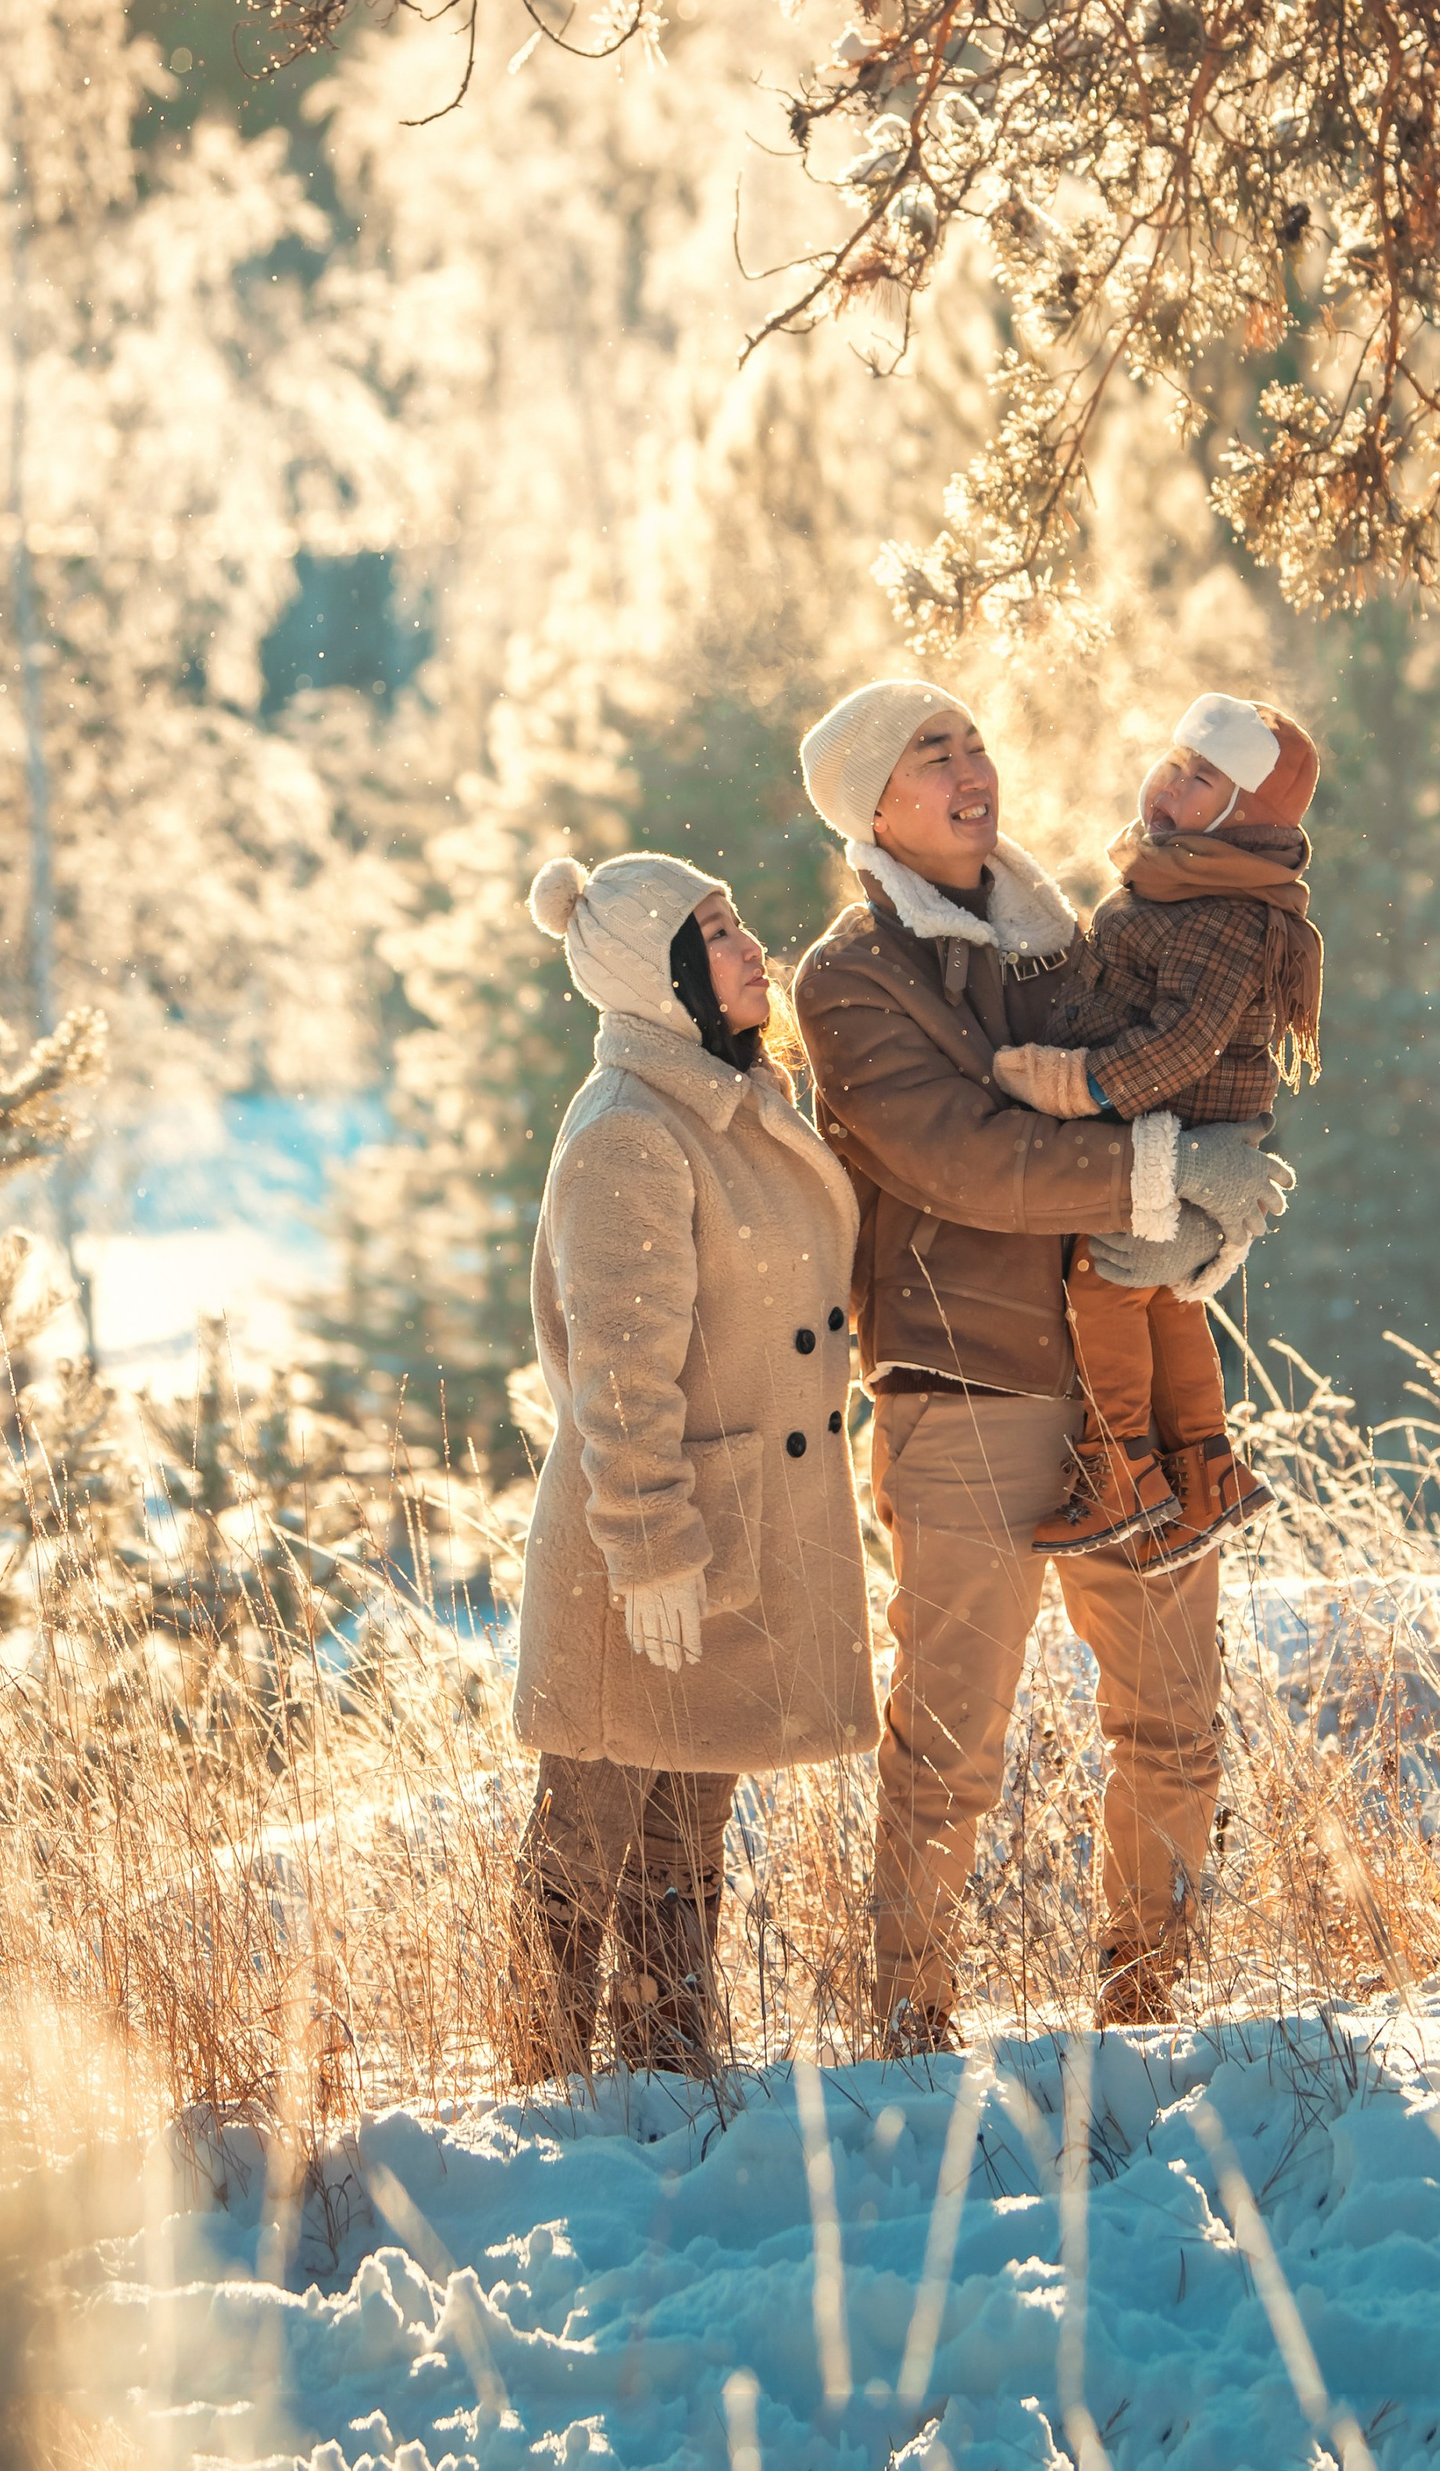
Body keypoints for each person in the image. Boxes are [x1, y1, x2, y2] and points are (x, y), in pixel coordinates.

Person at [791, 682, 1284, 2043]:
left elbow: (1170, 1071)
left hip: (1128, 1372)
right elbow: (965, 1160)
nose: (970, 770)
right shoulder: (851, 977)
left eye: (975, 744)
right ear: (872, 809)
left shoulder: (1067, 943)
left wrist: (1207, 1219)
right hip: (967, 1391)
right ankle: (909, 2030)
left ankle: (1150, 2011)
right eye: (930, 756)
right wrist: (1169, 1173)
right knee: (951, 1746)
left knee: (1177, 1721)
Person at [504, 847, 876, 2082]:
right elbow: (618, 1372)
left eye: (736, 919)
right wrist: (653, 1548)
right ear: (659, 975)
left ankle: (669, 2081)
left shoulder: (731, 1096)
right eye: (716, 932)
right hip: (644, 1547)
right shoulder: (630, 1132)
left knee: (686, 1842)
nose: (749, 944)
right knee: (585, 1844)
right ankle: (541, 2101)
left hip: (728, 1527)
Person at [991, 691, 1322, 1567]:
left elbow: (1185, 1039)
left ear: (1243, 815)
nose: (1170, 784)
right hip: (1175, 1121)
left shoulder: (1217, 910)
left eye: (1202, 776)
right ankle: (1208, 1462)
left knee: (1107, 1283)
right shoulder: (1187, 885)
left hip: (1166, 1119)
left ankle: (1122, 1463)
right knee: (1168, 1300)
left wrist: (1082, 1083)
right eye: (1173, 762)